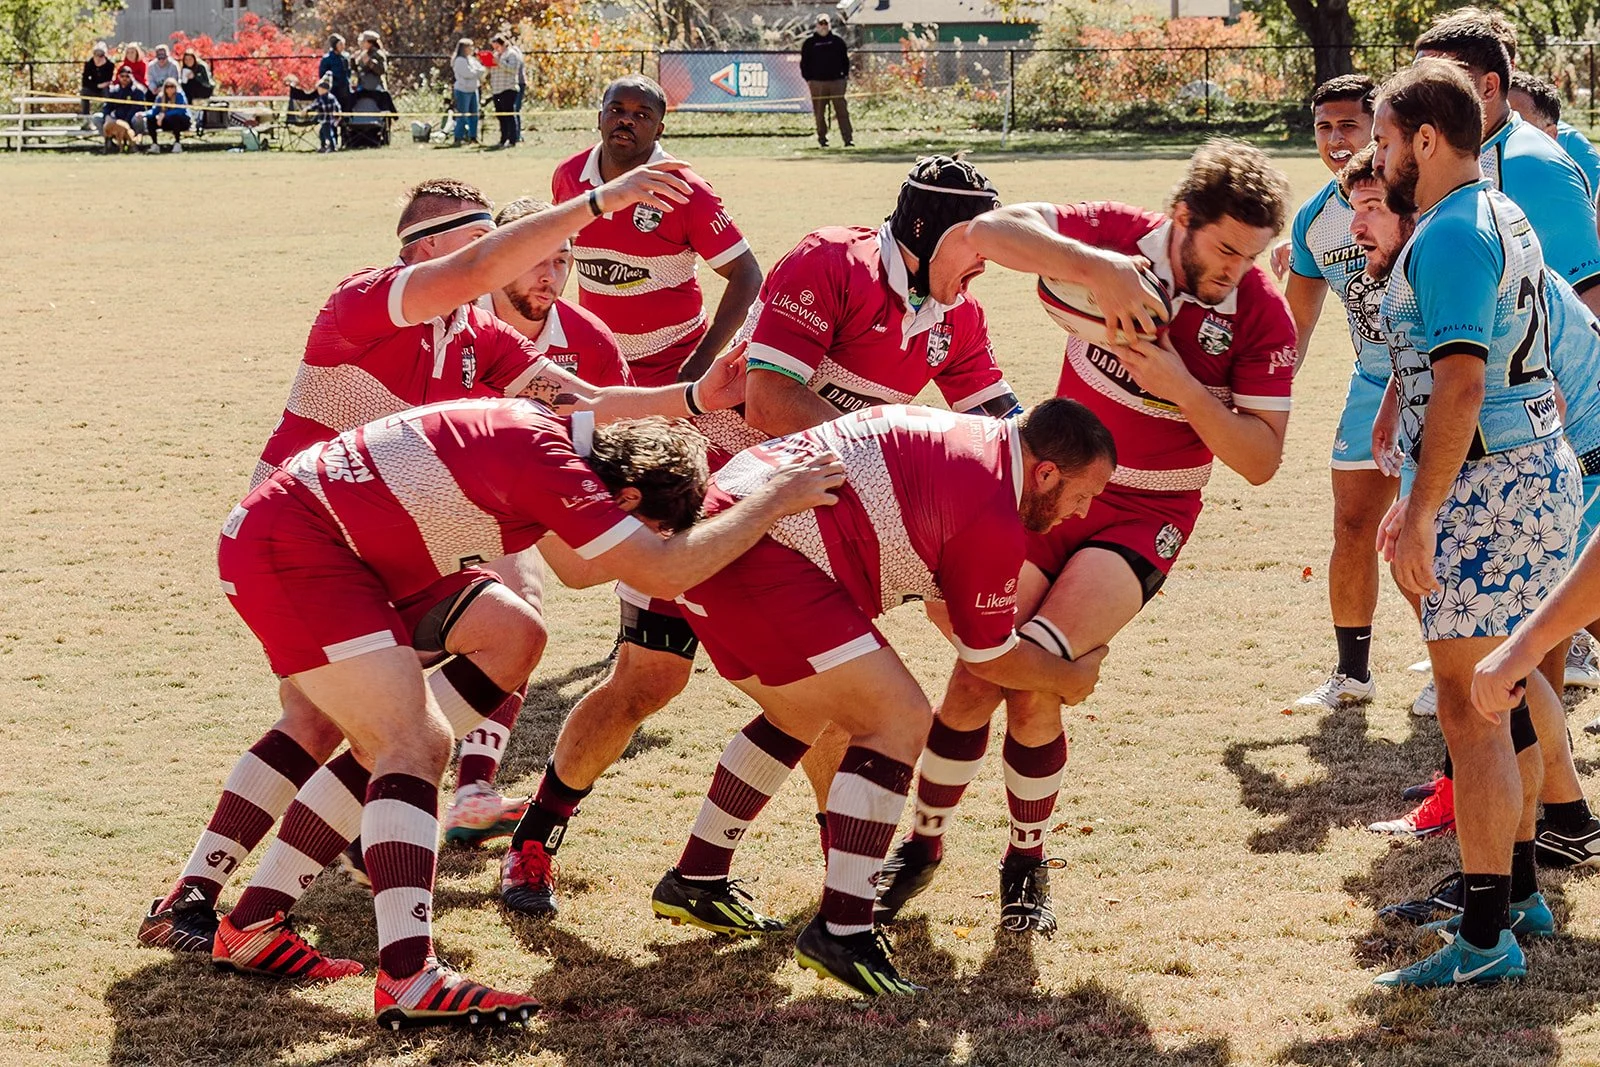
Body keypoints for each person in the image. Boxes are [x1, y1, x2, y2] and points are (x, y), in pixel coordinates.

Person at [503, 156, 1148, 919]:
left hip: (808, 539)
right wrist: (891, 465)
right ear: (930, 234)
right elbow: (770, 399)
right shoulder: (830, 262)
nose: (987, 266)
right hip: (702, 504)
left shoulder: (957, 318)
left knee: (830, 705)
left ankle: (826, 876)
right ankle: (536, 837)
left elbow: (1006, 430)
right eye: (979, 247)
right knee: (650, 681)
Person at [134, 166, 751, 957]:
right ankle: (193, 897)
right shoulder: (367, 298)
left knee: (511, 635)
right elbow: (477, 270)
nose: (510, 258)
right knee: (324, 720)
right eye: (490, 242)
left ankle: (356, 818)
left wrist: (696, 399)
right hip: (304, 541)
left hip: (387, 541)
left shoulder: (471, 333)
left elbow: (579, 398)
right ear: (429, 251)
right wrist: (601, 201)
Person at [171, 396, 844, 1029]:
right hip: (301, 549)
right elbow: (661, 572)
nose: (650, 544)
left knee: (511, 635)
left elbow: (580, 569)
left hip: (339, 544)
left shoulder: (563, 444)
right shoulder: (552, 464)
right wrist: (772, 500)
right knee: (414, 742)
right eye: (657, 529)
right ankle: (408, 976)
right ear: (628, 498)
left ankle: (254, 922)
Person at [874, 139, 1298, 936]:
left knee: (1036, 672)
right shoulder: (1118, 237)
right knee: (980, 669)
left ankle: (1025, 862)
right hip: (1050, 489)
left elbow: (1261, 460)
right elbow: (989, 233)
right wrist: (1098, 270)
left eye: (1253, 255)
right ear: (1181, 217)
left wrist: (1182, 386)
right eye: (1226, 250)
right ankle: (922, 847)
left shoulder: (1260, 314)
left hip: (1147, 513)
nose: (1239, 270)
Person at [650, 400, 1116, 995]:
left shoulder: (974, 446)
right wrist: (1068, 677)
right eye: (1084, 494)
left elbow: (957, 604)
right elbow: (989, 656)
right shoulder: (993, 505)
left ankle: (696, 877)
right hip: (756, 549)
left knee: (800, 710)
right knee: (899, 719)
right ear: (1046, 473)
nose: (1084, 511)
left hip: (718, 529)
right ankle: (842, 932)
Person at [1364, 58, 1581, 990]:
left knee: (1473, 704)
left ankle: (1486, 936)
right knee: (1509, 691)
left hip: (1488, 487)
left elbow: (1460, 384)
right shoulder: (1497, 211)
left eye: (1384, 140)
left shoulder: (1451, 231)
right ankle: (1520, 892)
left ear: (1426, 138)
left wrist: (1421, 510)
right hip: (1531, 471)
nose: (1378, 160)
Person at [1268, 75, 1395, 713]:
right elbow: (1296, 326)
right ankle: (1352, 673)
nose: (1336, 139)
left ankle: (1454, 664)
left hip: (1445, 382)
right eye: (1324, 127)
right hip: (1372, 382)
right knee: (1351, 524)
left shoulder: (1415, 196)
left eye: (1349, 125)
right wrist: (1257, 400)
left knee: (1440, 527)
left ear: (1379, 127)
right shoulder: (1315, 220)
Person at [552, 75, 763, 386]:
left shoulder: (687, 190)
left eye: (642, 115)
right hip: (599, 356)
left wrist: (701, 359)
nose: (626, 120)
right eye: (616, 110)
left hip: (673, 362)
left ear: (659, 129)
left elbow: (747, 274)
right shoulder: (569, 175)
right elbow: (558, 251)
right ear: (600, 118)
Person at [489, 198, 631, 387]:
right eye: (536, 258)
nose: (550, 277)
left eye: (560, 261)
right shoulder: (456, 328)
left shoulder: (592, 338)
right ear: (497, 258)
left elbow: (620, 405)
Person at [800, 14, 852, 149]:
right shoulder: (809, 43)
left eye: (826, 24)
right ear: (816, 25)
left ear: (829, 25)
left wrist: (844, 77)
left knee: (842, 111)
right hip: (817, 83)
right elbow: (804, 63)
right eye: (821, 24)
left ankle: (848, 139)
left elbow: (845, 61)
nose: (823, 27)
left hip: (836, 82)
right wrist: (809, 79)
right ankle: (822, 139)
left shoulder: (838, 42)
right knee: (819, 112)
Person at [487, 33, 524, 149]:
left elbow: (513, 69)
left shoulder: (512, 54)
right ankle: (503, 139)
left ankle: (512, 140)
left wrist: (499, 62)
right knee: (501, 116)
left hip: (508, 88)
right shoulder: (496, 55)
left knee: (509, 115)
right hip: (497, 89)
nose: (496, 49)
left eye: (497, 46)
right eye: (494, 47)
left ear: (503, 44)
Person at [99, 68, 148, 154]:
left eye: (127, 76)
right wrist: (107, 115)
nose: (124, 78)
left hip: (131, 119)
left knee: (139, 118)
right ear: (118, 77)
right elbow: (107, 106)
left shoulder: (137, 91)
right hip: (117, 120)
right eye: (122, 76)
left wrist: (125, 122)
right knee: (97, 118)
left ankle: (135, 144)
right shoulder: (114, 90)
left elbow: (138, 108)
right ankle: (109, 142)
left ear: (131, 77)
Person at [450, 39, 484, 146]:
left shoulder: (472, 60)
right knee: (462, 116)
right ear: (464, 48)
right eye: (470, 47)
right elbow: (468, 73)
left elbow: (481, 69)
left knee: (474, 115)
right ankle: (458, 137)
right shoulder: (459, 61)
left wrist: (478, 72)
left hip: (473, 90)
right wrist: (477, 72)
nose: (472, 49)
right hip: (462, 90)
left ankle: (473, 137)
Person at [144, 78, 191, 154]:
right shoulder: (160, 97)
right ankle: (155, 144)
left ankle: (177, 144)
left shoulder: (180, 96)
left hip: (182, 122)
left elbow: (181, 110)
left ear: (176, 87)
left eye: (172, 86)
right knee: (150, 119)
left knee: (175, 117)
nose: (169, 89)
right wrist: (144, 114)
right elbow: (155, 110)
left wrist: (164, 114)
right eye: (167, 87)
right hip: (166, 122)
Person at [81, 43, 116, 125]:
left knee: (108, 92)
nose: (98, 57)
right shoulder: (89, 64)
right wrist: (97, 86)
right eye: (96, 54)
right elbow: (85, 81)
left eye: (101, 55)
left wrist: (101, 67)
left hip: (104, 88)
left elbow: (108, 80)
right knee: (84, 92)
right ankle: (86, 120)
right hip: (93, 87)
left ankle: (107, 117)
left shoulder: (110, 65)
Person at [319, 33, 353, 113]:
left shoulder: (345, 57)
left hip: (345, 87)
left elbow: (348, 71)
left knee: (346, 107)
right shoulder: (327, 59)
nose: (343, 46)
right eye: (340, 44)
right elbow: (322, 74)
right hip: (333, 88)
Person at [179, 50, 213, 129]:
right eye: (186, 59)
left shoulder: (201, 67)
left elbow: (207, 82)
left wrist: (195, 76)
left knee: (192, 83)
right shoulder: (184, 69)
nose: (188, 61)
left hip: (203, 89)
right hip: (189, 92)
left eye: (190, 59)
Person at [309, 75, 341, 153]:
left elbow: (314, 105)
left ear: (324, 90)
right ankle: (323, 146)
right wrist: (338, 114)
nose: (318, 91)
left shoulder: (322, 98)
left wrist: (306, 109)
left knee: (328, 134)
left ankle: (332, 147)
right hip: (331, 119)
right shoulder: (332, 97)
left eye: (319, 89)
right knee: (322, 133)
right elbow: (338, 106)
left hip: (326, 119)